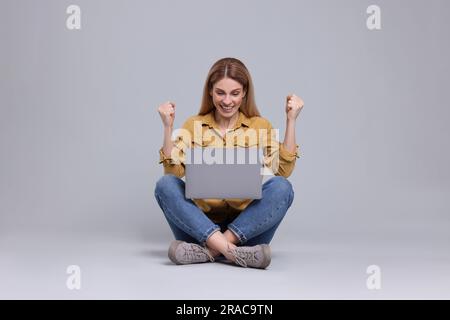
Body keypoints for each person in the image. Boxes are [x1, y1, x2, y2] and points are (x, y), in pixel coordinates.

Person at [154, 57, 304, 269]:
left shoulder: (259, 126)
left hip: (246, 229)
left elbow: (283, 170)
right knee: (165, 185)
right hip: (198, 228)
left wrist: (291, 120)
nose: (227, 101)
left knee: (282, 188)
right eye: (220, 92)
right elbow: (173, 170)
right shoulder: (193, 125)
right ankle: (233, 253)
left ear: (244, 93)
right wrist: (168, 127)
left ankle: (210, 252)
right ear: (210, 92)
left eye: (234, 93)